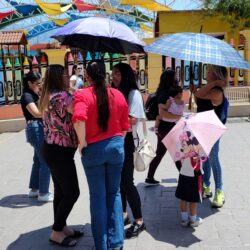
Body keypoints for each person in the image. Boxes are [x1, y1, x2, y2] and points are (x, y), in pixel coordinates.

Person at [73, 60, 129, 250]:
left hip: (94, 150)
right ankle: (116, 243)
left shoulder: (83, 95)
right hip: (115, 148)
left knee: (98, 197)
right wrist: (117, 143)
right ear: (105, 75)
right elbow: (125, 127)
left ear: (87, 77)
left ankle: (101, 246)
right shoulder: (118, 94)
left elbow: (79, 120)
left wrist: (82, 144)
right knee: (114, 194)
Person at [39, 64, 82, 247]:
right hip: (61, 152)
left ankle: (61, 226)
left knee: (61, 191)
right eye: (65, 74)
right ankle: (56, 231)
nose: (69, 76)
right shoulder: (63, 97)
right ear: (58, 77)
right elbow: (80, 112)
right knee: (72, 192)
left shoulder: (47, 95)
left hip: (50, 149)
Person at [112, 63, 146, 239]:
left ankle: (139, 220)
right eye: (113, 73)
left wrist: (112, 117)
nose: (114, 76)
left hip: (127, 142)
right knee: (118, 182)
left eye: (117, 73)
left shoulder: (134, 94)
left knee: (127, 181)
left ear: (125, 75)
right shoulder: (115, 92)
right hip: (116, 140)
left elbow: (133, 120)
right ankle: (124, 213)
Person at [193, 64, 228, 208]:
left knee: (213, 159)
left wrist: (208, 86)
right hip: (203, 128)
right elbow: (199, 101)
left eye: (209, 71)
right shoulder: (208, 87)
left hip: (212, 129)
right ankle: (206, 186)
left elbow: (199, 95)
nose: (206, 73)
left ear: (215, 74)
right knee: (205, 158)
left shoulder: (217, 90)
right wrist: (196, 92)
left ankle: (219, 191)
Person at [20, 71, 52, 202]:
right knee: (46, 161)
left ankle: (34, 190)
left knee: (38, 160)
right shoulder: (27, 96)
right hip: (35, 128)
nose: (40, 85)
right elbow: (36, 113)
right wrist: (50, 110)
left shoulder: (34, 94)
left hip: (37, 128)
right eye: (37, 83)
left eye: (41, 82)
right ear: (29, 83)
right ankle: (43, 193)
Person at [145, 69, 181, 186]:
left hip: (163, 128)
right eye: (174, 76)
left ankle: (149, 177)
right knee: (176, 154)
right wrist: (178, 116)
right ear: (169, 78)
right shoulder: (165, 94)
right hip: (167, 128)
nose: (176, 78)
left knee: (160, 152)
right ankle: (185, 179)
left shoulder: (164, 91)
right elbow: (162, 113)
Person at [175, 131, 204, 227]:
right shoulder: (200, 140)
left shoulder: (180, 140)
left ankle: (184, 220)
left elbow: (178, 155)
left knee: (183, 197)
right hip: (195, 174)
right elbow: (203, 156)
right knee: (193, 199)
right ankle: (193, 219)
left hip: (184, 173)